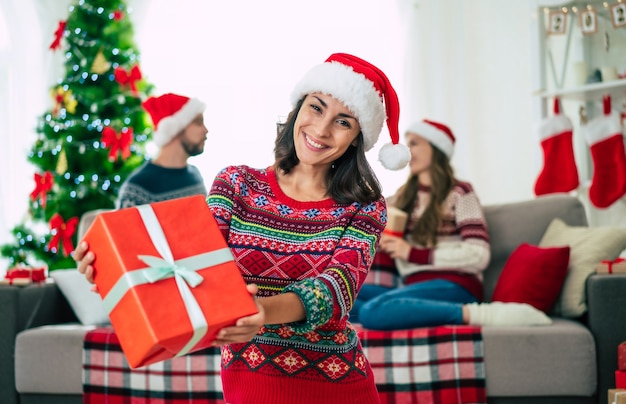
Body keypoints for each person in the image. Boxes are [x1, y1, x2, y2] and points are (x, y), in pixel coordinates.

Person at [75, 53, 412, 404]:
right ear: (299, 108)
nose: (322, 129)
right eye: (316, 107)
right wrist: (116, 272)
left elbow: (335, 291)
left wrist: (261, 311)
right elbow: (188, 263)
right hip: (248, 386)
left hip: (338, 388)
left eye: (343, 122)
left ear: (357, 138)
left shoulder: (365, 206)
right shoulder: (237, 184)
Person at [352, 119, 552, 330]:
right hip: (412, 288)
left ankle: (476, 313)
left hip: (454, 286)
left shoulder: (460, 193)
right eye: (406, 143)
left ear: (436, 148)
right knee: (343, 299)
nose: (407, 151)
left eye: (415, 143)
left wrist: (412, 253)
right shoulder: (402, 198)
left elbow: (478, 254)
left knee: (373, 311)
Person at [116, 93, 208, 208]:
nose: (205, 130)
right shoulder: (138, 189)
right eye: (198, 123)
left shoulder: (195, 175)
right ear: (175, 129)